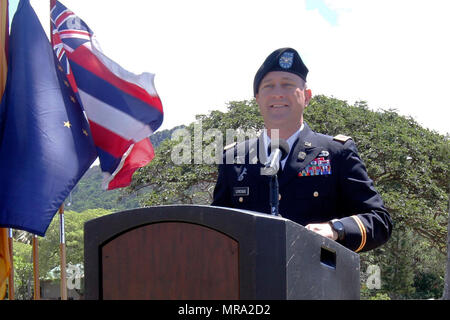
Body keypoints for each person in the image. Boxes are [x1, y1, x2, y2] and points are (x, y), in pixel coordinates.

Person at [211, 47, 392, 252]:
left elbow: (379, 220)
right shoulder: (234, 158)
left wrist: (336, 229)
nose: (278, 93)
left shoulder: (336, 152)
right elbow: (215, 229)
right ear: (258, 99)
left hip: (316, 279)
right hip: (249, 280)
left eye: (287, 85)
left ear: (306, 97)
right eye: (269, 86)